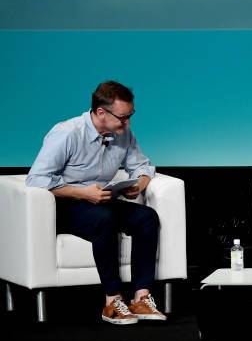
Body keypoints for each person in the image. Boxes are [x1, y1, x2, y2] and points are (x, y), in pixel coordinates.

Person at [26, 81, 166, 325]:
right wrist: (82, 194)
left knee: (146, 217)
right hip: (66, 204)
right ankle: (112, 301)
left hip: (101, 200)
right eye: (123, 117)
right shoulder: (67, 133)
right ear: (101, 112)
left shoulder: (123, 134)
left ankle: (141, 297)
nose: (127, 123)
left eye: (130, 116)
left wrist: (138, 185)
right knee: (105, 219)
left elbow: (143, 167)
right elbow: (37, 179)